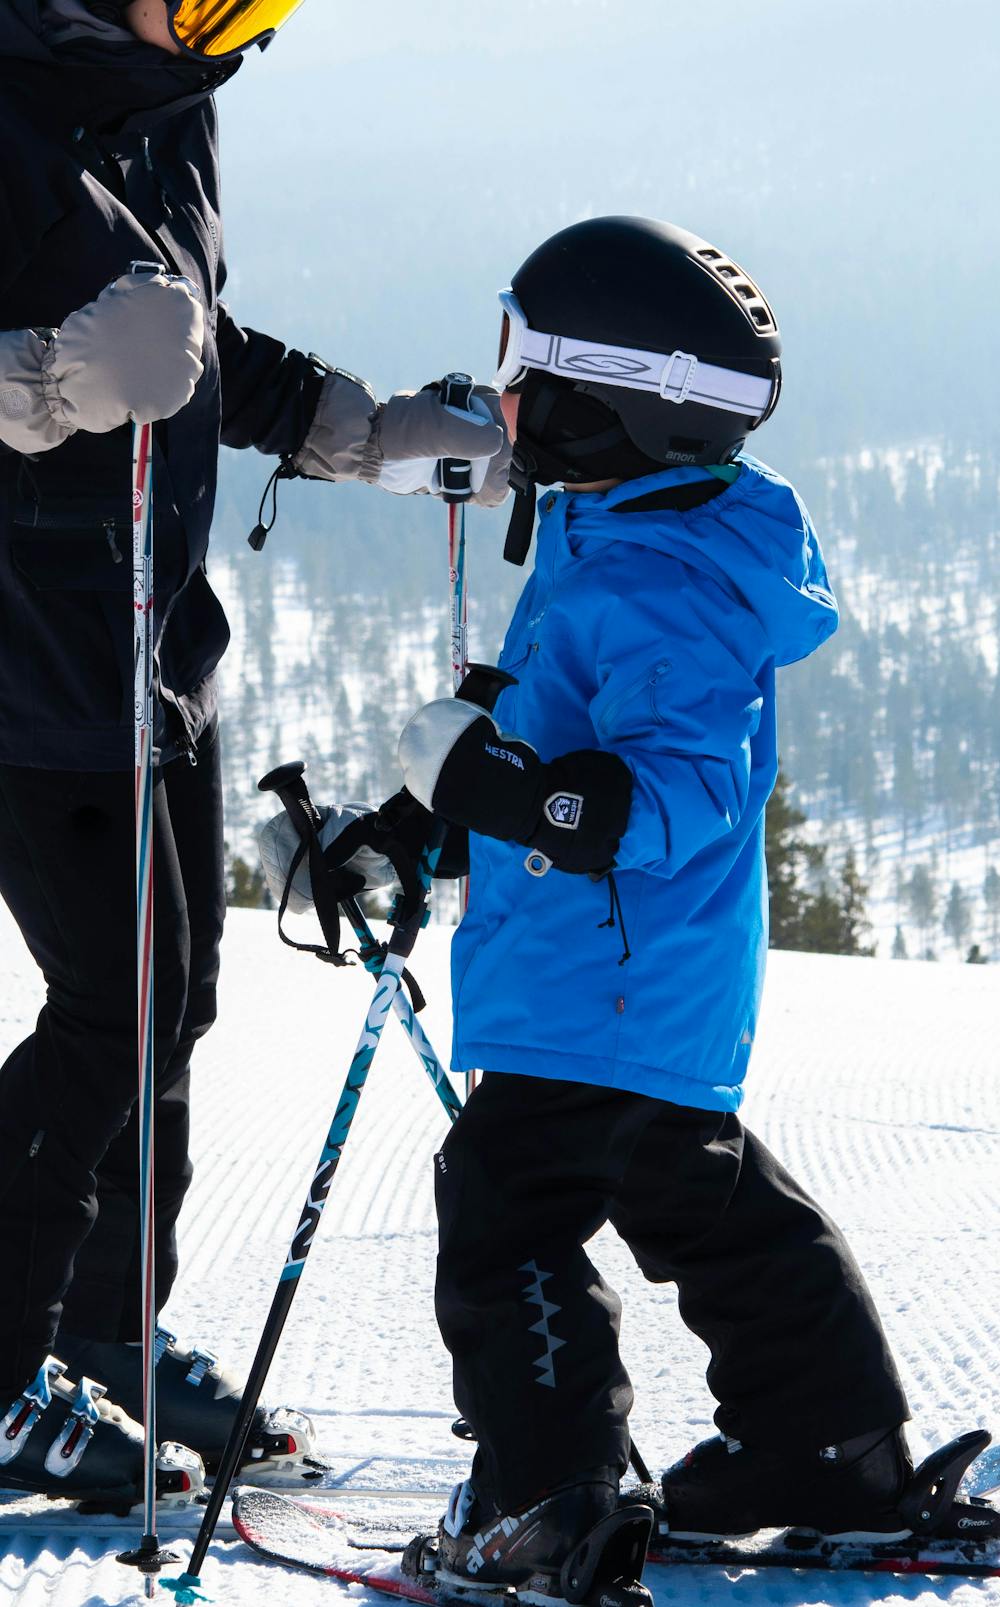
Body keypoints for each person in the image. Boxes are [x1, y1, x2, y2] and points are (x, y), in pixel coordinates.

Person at [285, 214, 976, 1596]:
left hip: (599, 983)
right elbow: (546, 724)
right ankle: (827, 1447)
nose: (503, 396)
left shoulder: (663, 584)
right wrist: (412, 831)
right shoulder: (627, 529)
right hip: (634, 986)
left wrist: (491, 791)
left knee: (505, 1211)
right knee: (710, 1206)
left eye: (524, 366)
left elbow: (667, 797)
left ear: (609, 403)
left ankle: (548, 1494)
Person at [0, 0, 509, 1505]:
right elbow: (99, 360)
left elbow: (199, 349)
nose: (239, 25)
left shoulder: (172, 96)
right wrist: (40, 384)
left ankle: (101, 1335)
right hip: (26, 652)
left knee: (173, 1000)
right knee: (116, 1006)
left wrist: (370, 431)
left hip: (153, 645)